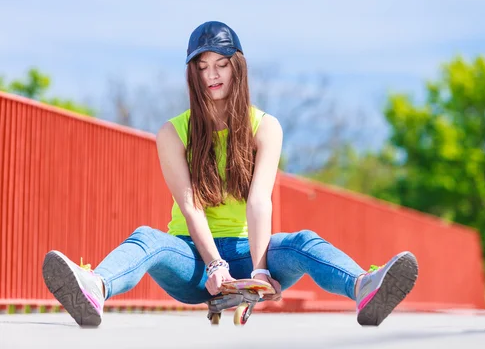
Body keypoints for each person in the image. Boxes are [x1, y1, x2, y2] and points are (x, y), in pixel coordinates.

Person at [41, 21, 418, 328]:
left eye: (220, 64)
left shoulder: (265, 127)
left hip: (250, 253)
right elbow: (189, 206)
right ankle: (95, 286)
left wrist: (259, 268)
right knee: (147, 238)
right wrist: (214, 265)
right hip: (192, 258)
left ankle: (365, 288)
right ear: (192, 73)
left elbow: (258, 201)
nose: (211, 75)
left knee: (303, 241)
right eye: (201, 67)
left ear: (237, 65)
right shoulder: (172, 133)